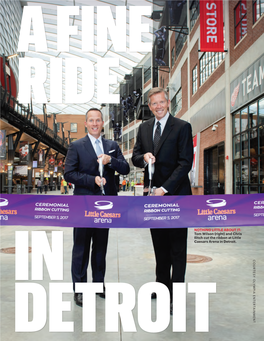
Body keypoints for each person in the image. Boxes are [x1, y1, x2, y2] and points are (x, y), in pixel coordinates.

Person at [132, 87, 193, 314]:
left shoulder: (182, 127)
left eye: (161, 102)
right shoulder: (144, 128)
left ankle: (176, 295)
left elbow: (185, 163)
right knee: (160, 245)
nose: (158, 106)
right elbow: (135, 157)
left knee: (177, 248)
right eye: (154, 103)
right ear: (149, 107)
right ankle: (162, 285)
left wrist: (165, 189)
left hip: (176, 196)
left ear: (168, 103)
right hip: (153, 199)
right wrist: (144, 157)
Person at [64, 108, 130, 307]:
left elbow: (125, 169)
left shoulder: (111, 145)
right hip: (83, 205)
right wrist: (92, 180)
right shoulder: (76, 146)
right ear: (86, 123)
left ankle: (99, 284)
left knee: (100, 247)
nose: (94, 123)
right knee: (81, 248)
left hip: (107, 206)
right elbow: (69, 174)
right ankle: (80, 289)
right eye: (91, 120)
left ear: (103, 123)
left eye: (98, 120)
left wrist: (112, 161)